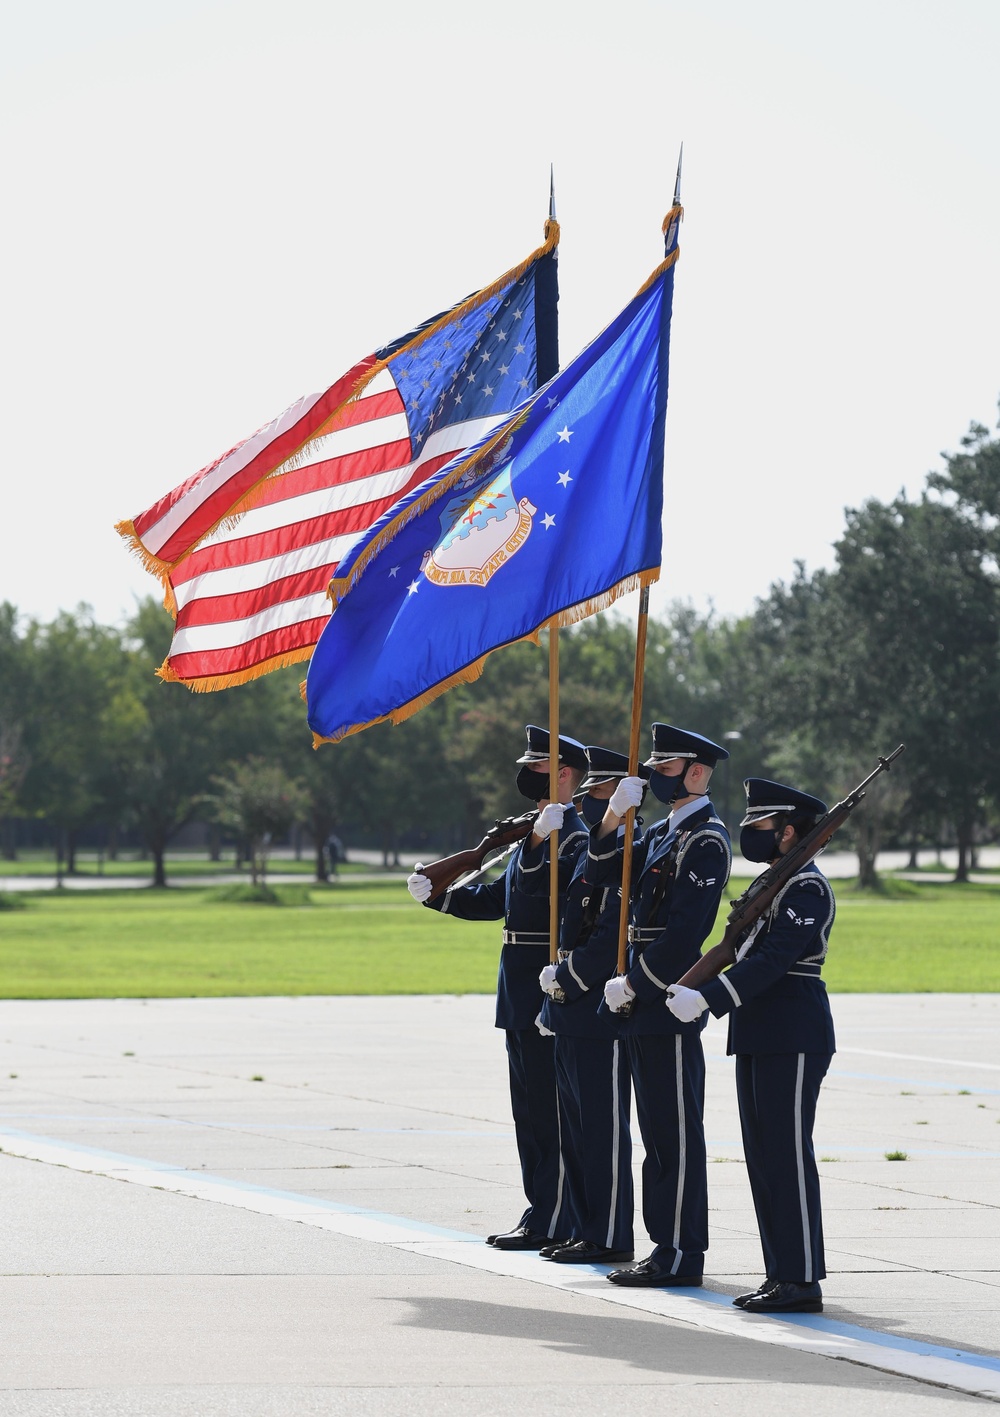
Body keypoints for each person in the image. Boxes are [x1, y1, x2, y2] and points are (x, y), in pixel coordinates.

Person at [406, 725, 588, 1250]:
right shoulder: (535, 831)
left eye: (536, 768)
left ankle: (560, 1214)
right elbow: (500, 902)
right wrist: (438, 894)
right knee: (528, 1111)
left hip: (548, 986)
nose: (524, 776)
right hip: (517, 988)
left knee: (552, 1112)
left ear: (564, 776)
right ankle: (541, 1208)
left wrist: (532, 841)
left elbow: (558, 906)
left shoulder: (574, 838)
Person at [666, 777, 835, 1314]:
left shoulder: (806, 888)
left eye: (760, 825)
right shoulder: (774, 885)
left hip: (794, 1031)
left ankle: (802, 1278)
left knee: (787, 1155)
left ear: (788, 832)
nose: (750, 833)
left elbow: (772, 961)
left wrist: (708, 997)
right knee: (764, 1158)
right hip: (762, 1030)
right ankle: (781, 1273)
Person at [598, 724, 732, 1288]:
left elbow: (685, 933)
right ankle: (664, 1245)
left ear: (697, 772)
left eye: (667, 764)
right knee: (654, 1131)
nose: (656, 773)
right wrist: (610, 819)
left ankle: (681, 1251)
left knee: (675, 1133)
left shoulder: (705, 840)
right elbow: (597, 873)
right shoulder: (659, 832)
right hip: (639, 1000)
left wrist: (637, 983)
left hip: (665, 998)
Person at [520, 745, 647, 1264]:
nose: (593, 801)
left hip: (597, 1003)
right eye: (595, 793)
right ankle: (584, 1225)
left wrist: (567, 981)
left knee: (602, 1129)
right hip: (569, 1003)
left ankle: (610, 1234)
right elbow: (543, 894)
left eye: (602, 794)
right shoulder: (594, 850)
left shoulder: (632, 851)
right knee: (574, 1127)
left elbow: (611, 936)